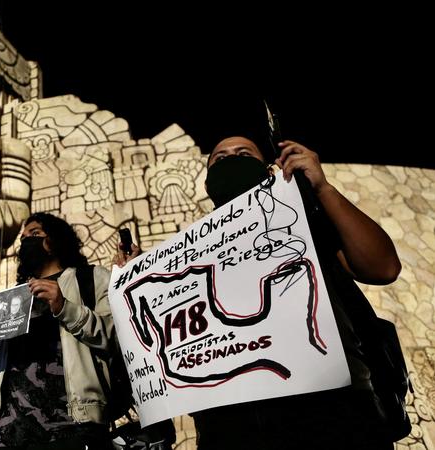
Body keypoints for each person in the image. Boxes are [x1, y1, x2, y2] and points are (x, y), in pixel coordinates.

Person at [119, 136, 402, 449]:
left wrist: (322, 188)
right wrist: (137, 273)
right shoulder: (193, 252)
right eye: (220, 158)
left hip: (331, 410)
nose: (232, 159)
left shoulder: (301, 216)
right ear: (208, 180)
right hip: (231, 423)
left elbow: (382, 267)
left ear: (268, 168)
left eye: (243, 153)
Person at [0, 213, 116, 450]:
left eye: (34, 234)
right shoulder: (16, 297)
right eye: (22, 238)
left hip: (73, 427)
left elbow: (114, 337)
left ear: (55, 240)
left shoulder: (92, 279)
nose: (25, 241)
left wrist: (65, 308)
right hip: (11, 433)